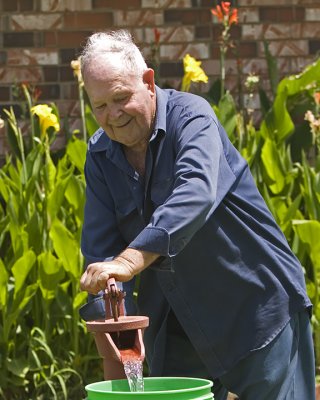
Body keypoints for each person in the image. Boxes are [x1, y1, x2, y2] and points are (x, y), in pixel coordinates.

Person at [79, 29, 315, 400]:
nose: (112, 116)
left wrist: (130, 260)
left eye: (120, 98)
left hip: (254, 307)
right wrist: (114, 328)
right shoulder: (99, 154)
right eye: (99, 106)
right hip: (177, 324)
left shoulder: (193, 118)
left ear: (148, 81)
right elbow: (100, 250)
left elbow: (195, 193)